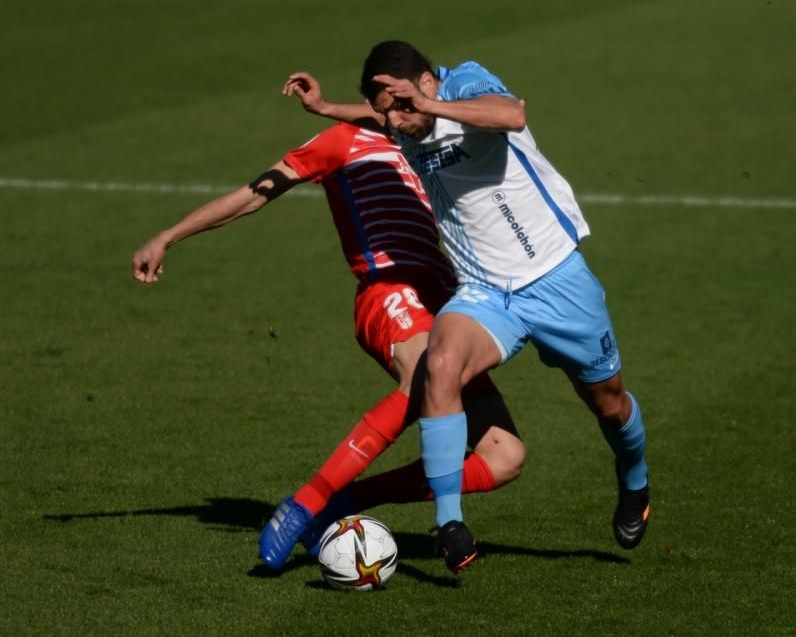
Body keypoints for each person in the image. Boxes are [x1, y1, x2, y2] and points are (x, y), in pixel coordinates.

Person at [130, 85, 525, 571]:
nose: (406, 107)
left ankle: (346, 501)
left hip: (450, 297)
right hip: (389, 290)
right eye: (391, 99)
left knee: (504, 455)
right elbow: (254, 195)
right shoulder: (339, 143)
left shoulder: (418, 138)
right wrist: (168, 236)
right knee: (426, 376)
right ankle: (306, 503)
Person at [292, 41, 650, 574]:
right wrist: (326, 110)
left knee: (608, 403)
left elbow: (512, 114)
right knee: (441, 363)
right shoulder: (402, 116)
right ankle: (450, 523)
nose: (391, 123)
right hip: (486, 292)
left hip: (556, 278)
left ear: (420, 84)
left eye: (396, 106)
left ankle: (634, 475)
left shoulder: (463, 83)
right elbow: (378, 113)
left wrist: (429, 108)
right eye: (385, 112)